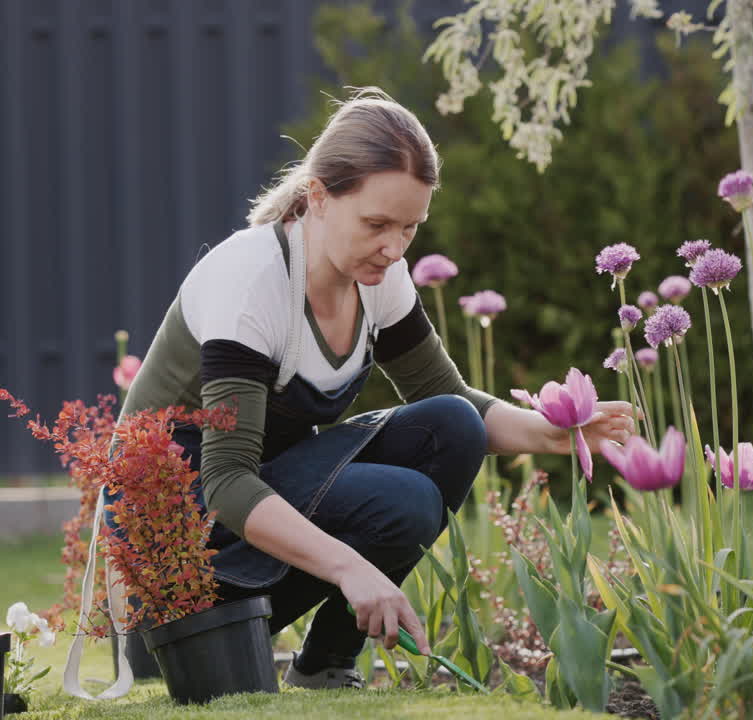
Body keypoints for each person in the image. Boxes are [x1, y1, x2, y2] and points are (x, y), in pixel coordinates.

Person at [108, 87, 637, 689]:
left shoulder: (377, 276)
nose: (394, 247)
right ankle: (299, 653)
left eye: (410, 228)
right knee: (402, 500)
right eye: (378, 224)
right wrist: (350, 568)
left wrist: (556, 433)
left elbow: (453, 399)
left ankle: (323, 667)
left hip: (246, 524)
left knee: (451, 424)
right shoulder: (250, 280)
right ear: (318, 198)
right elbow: (226, 481)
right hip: (172, 566)